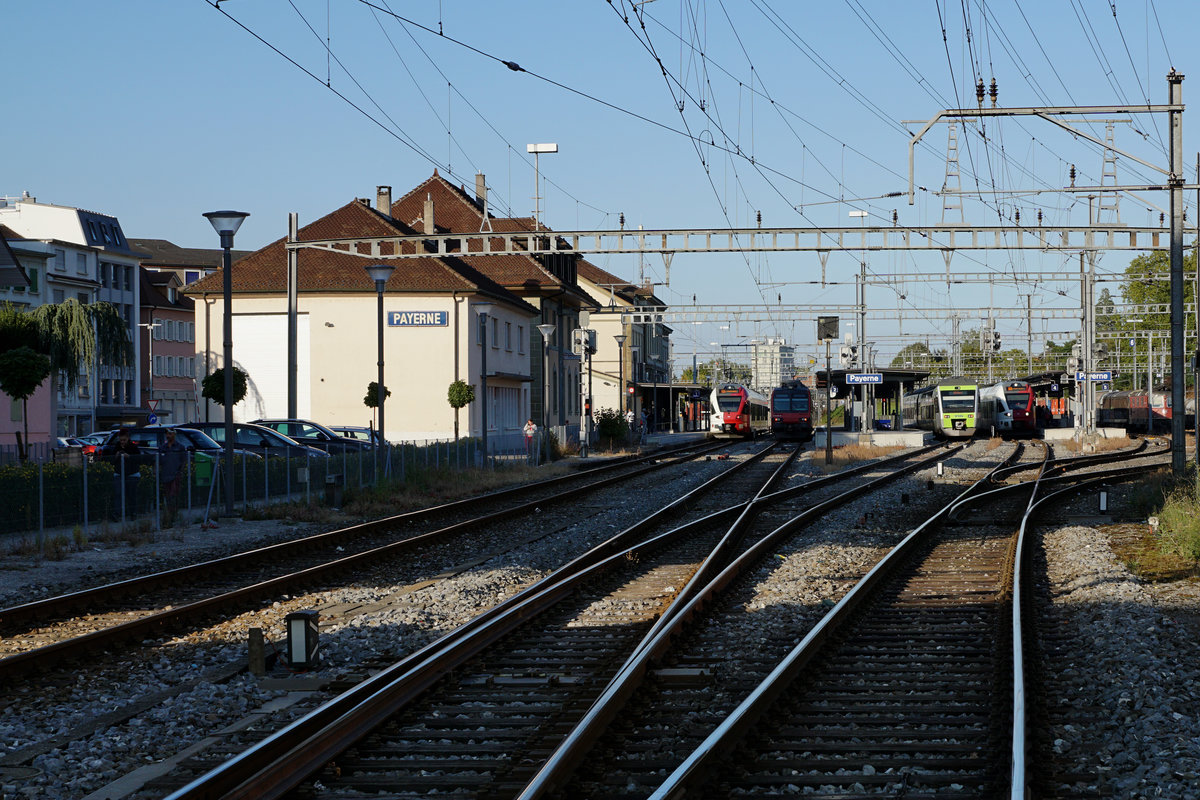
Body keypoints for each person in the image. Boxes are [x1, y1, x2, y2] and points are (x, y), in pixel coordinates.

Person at [104, 428, 141, 520]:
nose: (122, 442)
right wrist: (116, 456)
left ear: (128, 438)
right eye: (120, 440)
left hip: (132, 473)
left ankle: (133, 513)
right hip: (119, 473)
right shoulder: (117, 447)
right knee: (118, 494)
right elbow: (111, 460)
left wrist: (129, 457)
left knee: (131, 494)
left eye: (124, 440)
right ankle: (117, 513)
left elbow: (139, 459)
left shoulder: (133, 448)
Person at [159, 428, 188, 526]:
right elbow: (158, 460)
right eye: (167, 434)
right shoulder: (163, 447)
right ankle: (169, 515)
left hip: (175, 475)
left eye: (170, 434)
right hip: (165, 475)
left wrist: (180, 472)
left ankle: (173, 515)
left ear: (174, 435)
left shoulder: (180, 447)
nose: (168, 436)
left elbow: (184, 461)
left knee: (173, 495)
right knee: (167, 496)